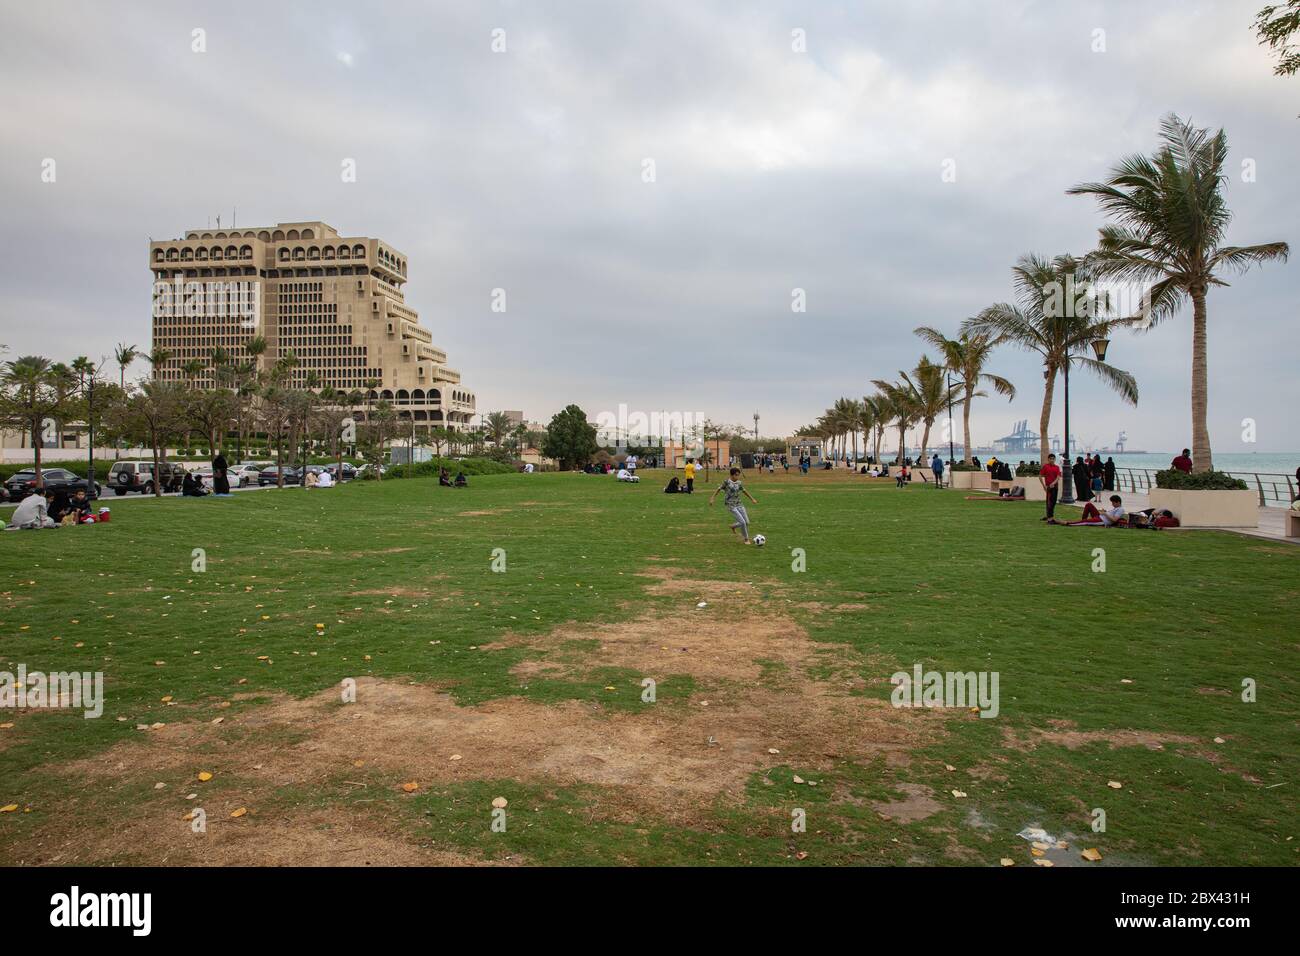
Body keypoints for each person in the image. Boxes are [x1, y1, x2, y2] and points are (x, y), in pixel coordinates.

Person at [709, 467, 758, 544]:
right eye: (736, 475)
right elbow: (718, 489)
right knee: (742, 522)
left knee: (747, 522)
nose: (737, 477)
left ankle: (733, 526)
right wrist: (712, 498)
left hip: (739, 503)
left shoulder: (739, 483)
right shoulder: (726, 482)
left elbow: (744, 491)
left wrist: (752, 499)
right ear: (731, 475)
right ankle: (746, 539)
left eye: (738, 475)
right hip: (730, 505)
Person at [1052, 494, 1127, 527]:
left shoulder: (1121, 509)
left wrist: (1105, 514)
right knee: (1089, 505)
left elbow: (1114, 520)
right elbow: (1111, 515)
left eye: (1113, 503)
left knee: (1086, 522)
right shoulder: (1116, 508)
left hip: (1102, 520)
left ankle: (1067, 523)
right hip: (1100, 516)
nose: (1112, 504)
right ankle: (1082, 520)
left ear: (1118, 502)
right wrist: (1105, 512)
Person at [1040, 453, 1062, 521]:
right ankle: (1050, 518)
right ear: (1048, 459)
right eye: (1050, 459)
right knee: (1049, 502)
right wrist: (1044, 486)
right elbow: (1040, 476)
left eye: (1053, 459)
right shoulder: (1046, 467)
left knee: (1053, 502)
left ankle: (1049, 516)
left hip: (1055, 487)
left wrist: (1053, 483)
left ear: (1055, 459)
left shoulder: (1057, 467)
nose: (1052, 460)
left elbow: (1058, 477)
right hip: (1049, 487)